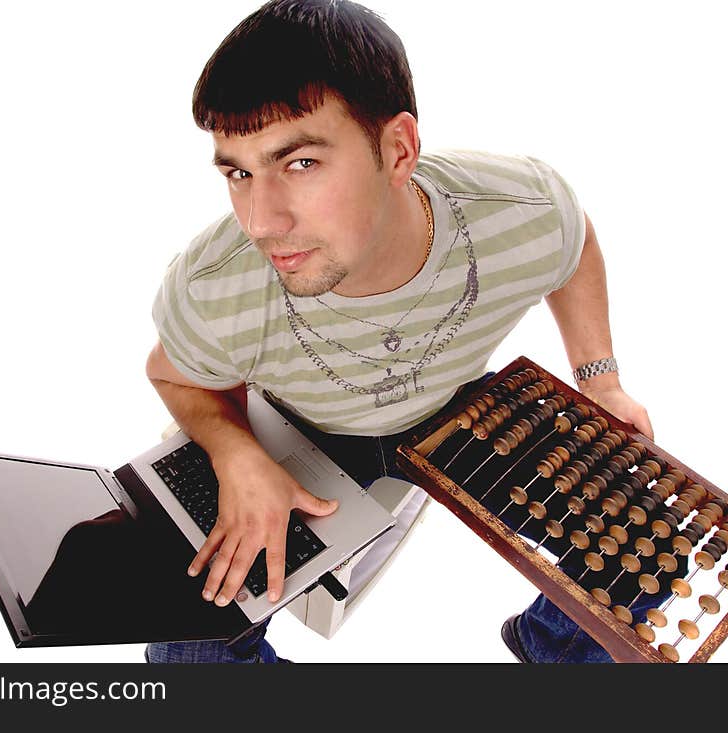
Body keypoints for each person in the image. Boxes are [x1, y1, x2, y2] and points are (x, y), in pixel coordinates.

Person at [143, 0, 654, 663]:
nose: (261, 220)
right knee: (189, 640)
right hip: (303, 431)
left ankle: (548, 647)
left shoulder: (516, 208)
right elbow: (171, 371)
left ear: (397, 150)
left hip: (459, 411)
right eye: (239, 172)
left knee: (653, 547)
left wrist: (602, 381)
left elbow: (572, 240)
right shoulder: (215, 284)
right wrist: (236, 453)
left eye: (299, 163)